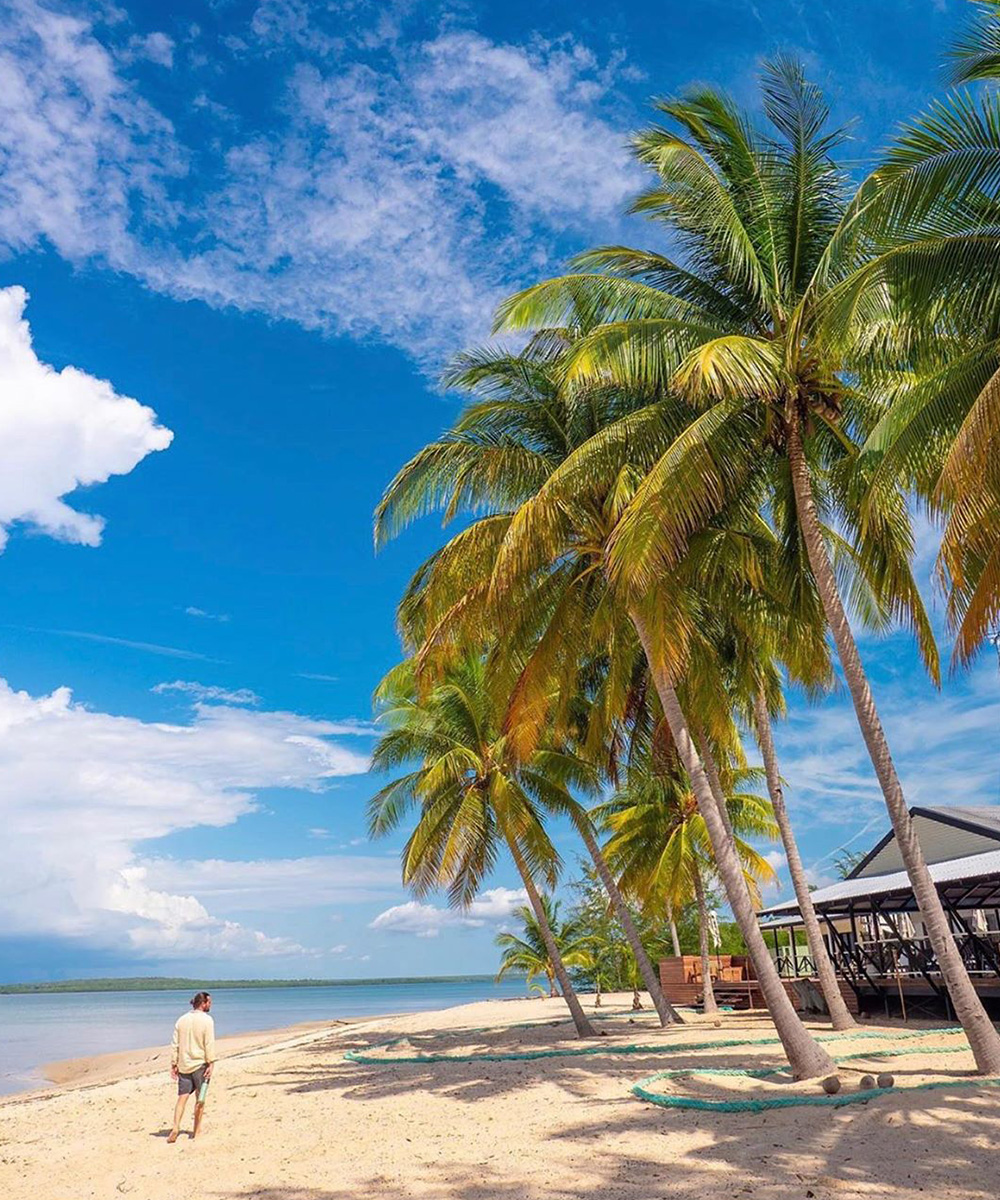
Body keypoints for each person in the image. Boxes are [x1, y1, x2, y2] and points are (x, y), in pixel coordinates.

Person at [168, 991, 216, 1142]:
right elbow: (208, 1043)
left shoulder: (181, 1020)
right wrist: (211, 1062)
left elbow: (175, 1043)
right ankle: (196, 1131)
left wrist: (173, 1063)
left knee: (181, 1099)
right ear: (203, 1003)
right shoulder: (207, 1020)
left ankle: (176, 1127)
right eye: (209, 1002)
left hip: (184, 1064)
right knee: (200, 1099)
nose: (211, 1005)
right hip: (199, 1064)